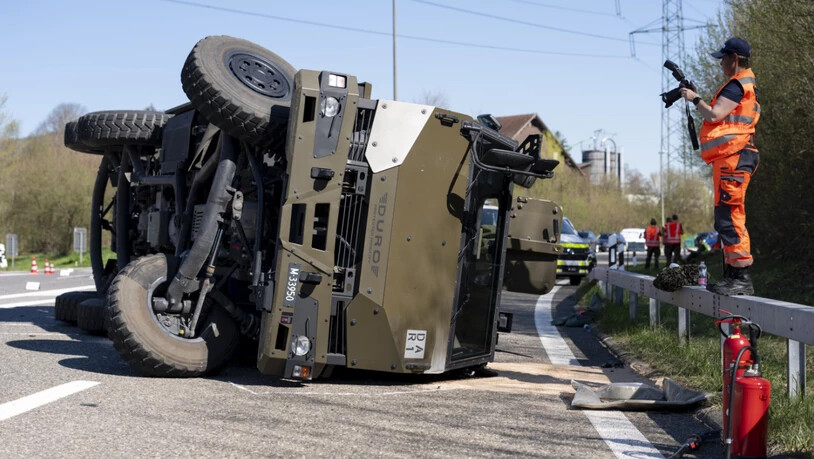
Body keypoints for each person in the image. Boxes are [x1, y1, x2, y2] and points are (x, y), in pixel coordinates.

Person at [681, 37, 759, 296]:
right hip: (730, 158)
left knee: (730, 216)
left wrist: (694, 99)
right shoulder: (739, 84)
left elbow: (714, 115)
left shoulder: (738, 84)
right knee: (725, 217)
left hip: (735, 157)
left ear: (734, 58)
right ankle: (732, 276)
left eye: (723, 59)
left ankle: (741, 277)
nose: (721, 64)